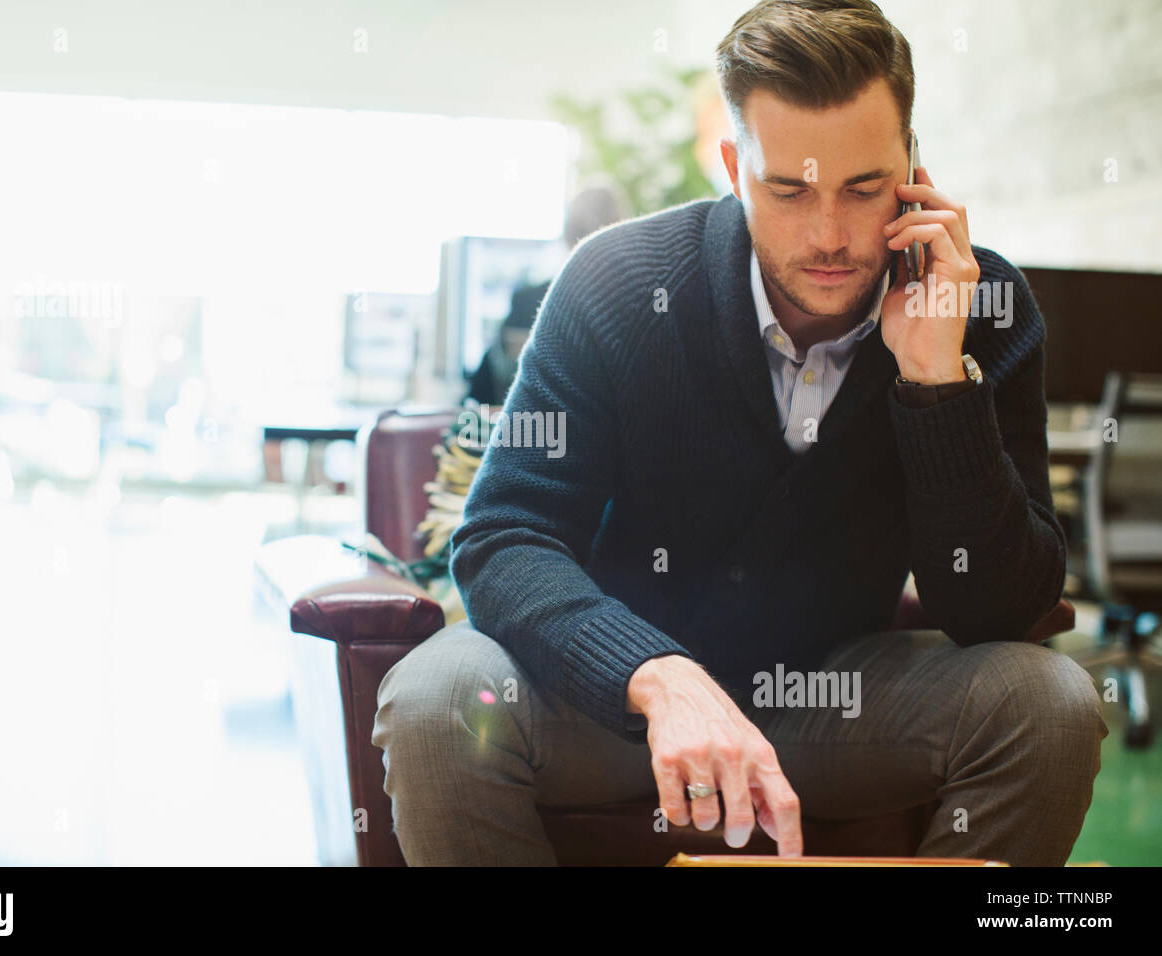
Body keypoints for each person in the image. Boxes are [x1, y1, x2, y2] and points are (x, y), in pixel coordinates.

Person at [374, 0, 1107, 866]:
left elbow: (1002, 609)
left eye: (865, 189)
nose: (830, 236)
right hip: (613, 704)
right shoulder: (616, 284)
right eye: (788, 189)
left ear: (912, 166)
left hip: (835, 698)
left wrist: (935, 380)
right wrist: (653, 675)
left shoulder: (981, 305)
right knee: (437, 705)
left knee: (1052, 706)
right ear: (733, 165)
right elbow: (504, 535)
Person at [466, 185, 627, 406]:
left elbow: (482, 393)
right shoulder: (635, 308)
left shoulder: (528, 300)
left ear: (567, 235)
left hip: (540, 432)